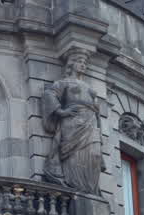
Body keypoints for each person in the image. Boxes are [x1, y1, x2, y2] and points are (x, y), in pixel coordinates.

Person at [41, 50, 102, 193]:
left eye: (85, 63)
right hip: (73, 123)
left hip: (90, 122)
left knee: (95, 155)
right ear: (71, 64)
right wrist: (60, 111)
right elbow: (48, 94)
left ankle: (90, 189)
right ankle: (76, 187)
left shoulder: (88, 87)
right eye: (80, 62)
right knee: (74, 156)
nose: (83, 65)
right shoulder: (63, 83)